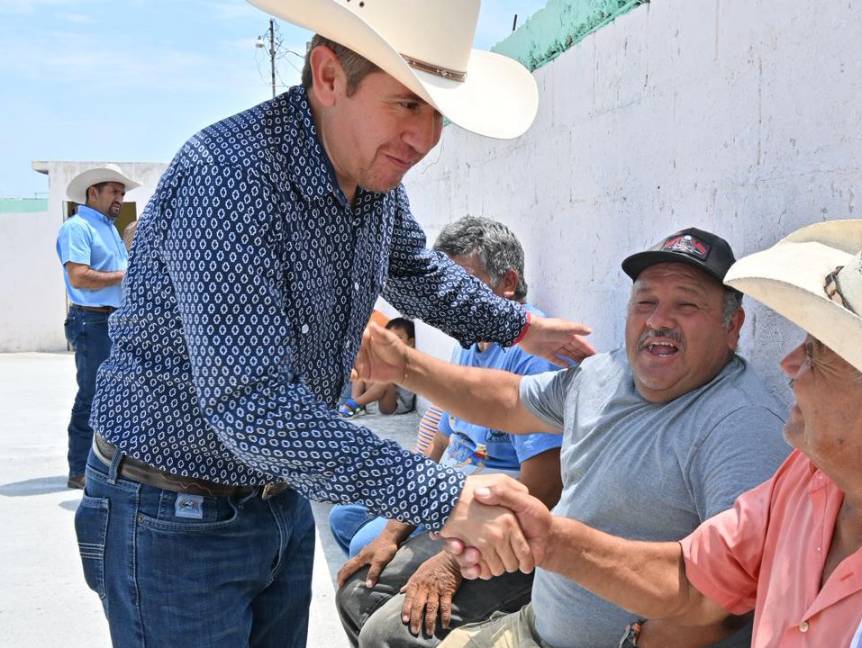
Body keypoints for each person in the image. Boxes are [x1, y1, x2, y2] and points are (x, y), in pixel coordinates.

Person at [73, 2, 593, 646]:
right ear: (327, 76)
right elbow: (253, 404)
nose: (425, 138)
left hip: (274, 491)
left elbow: (413, 267)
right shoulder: (229, 180)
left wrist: (521, 327)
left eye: (438, 113)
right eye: (406, 104)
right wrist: (444, 498)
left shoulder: (371, 176)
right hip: (171, 515)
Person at [445, 214, 862, 647]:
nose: (789, 364)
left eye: (817, 353)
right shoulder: (812, 480)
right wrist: (550, 539)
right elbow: (696, 582)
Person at [355, 227, 793, 647]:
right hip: (536, 621)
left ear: (733, 326)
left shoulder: (741, 424)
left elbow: (730, 599)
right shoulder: (608, 372)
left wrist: (553, 545)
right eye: (645, 302)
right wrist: (406, 368)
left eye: (687, 305)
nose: (659, 320)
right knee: (379, 627)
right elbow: (508, 400)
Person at [336, 216, 566, 647]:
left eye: (462, 285)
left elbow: (545, 488)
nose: (449, 301)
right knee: (356, 590)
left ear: (507, 284)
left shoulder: (533, 355)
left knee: (386, 629)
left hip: (506, 533)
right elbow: (439, 447)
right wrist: (392, 532)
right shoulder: (469, 346)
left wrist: (451, 561)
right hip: (453, 508)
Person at [55, 163, 139, 489]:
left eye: (122, 192)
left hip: (112, 319)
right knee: (91, 395)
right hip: (91, 320)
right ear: (94, 192)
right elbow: (79, 276)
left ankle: (106, 465)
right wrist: (126, 275)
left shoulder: (108, 228)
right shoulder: (77, 228)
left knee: (116, 395)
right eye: (114, 191)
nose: (119, 197)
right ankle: (79, 470)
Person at [341, 317, 418, 417]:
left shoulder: (408, 360)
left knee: (385, 382)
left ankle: (355, 404)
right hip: (374, 400)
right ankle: (355, 402)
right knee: (363, 370)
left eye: (399, 338)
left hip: (394, 404)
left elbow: (391, 381)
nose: (393, 342)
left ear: (410, 342)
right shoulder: (385, 355)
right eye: (390, 338)